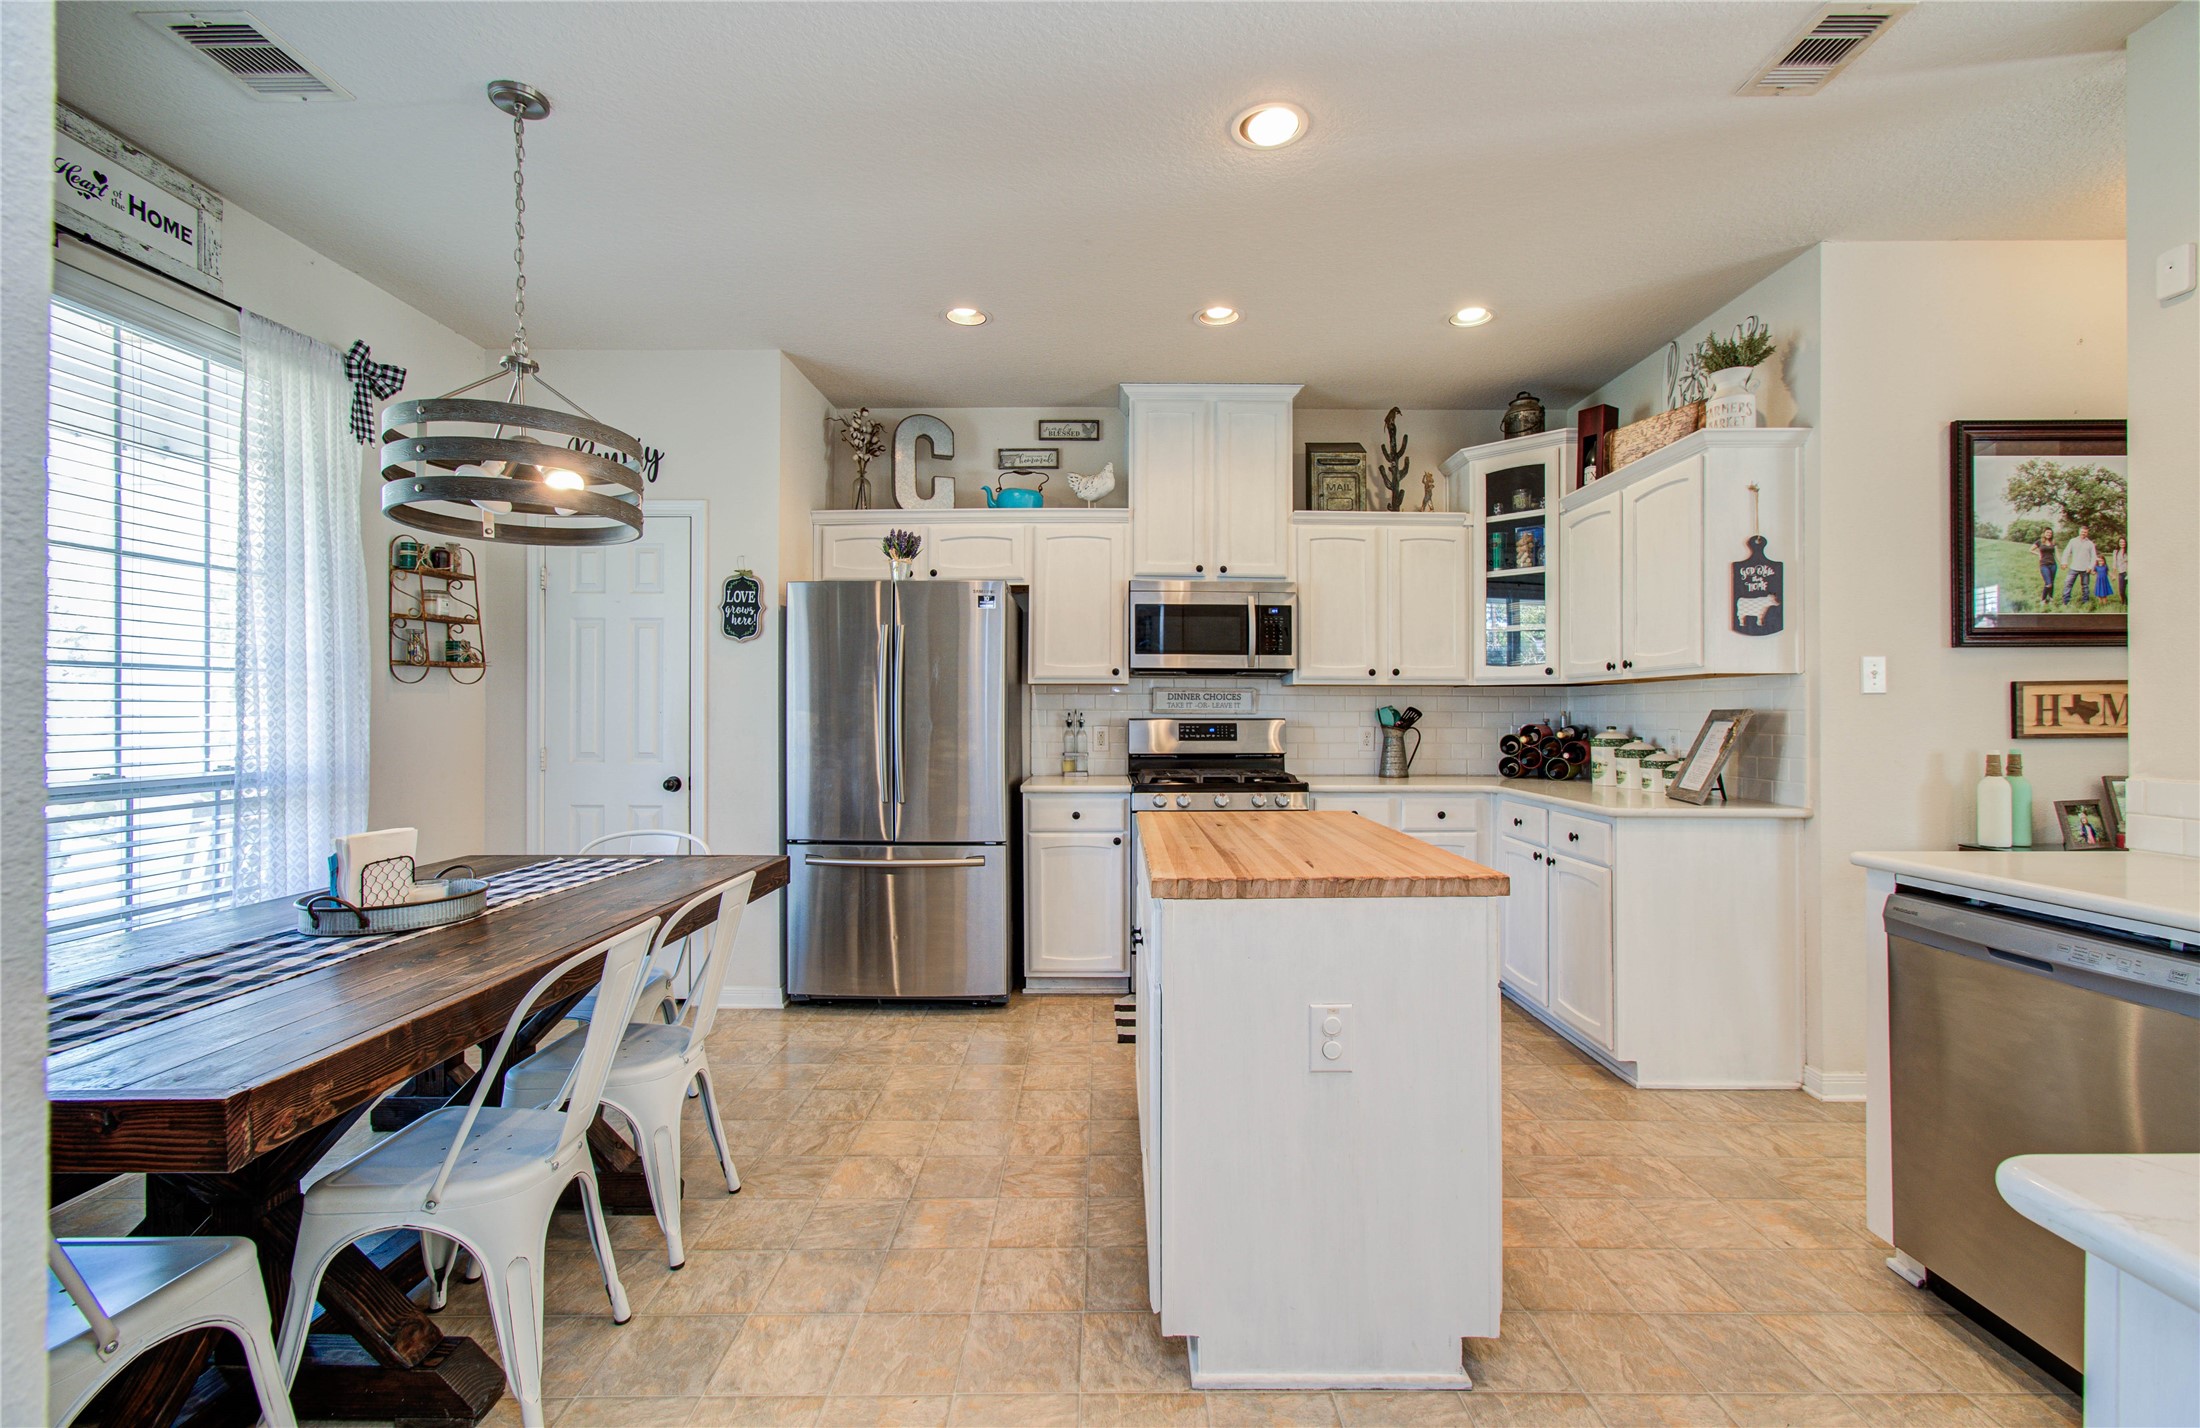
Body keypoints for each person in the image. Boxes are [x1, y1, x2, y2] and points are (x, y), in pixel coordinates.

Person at [2060, 525, 2098, 605]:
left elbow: (2094, 556)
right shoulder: (2073, 541)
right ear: (2079, 531)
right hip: (2073, 567)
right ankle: (2065, 602)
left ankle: (2085, 602)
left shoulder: (2090, 543)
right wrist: (2064, 562)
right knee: (2068, 584)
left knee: (2085, 586)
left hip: (2085, 569)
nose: (2083, 533)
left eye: (2085, 532)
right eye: (2082, 531)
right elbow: (2066, 552)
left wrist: (2090, 567)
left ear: (2087, 533)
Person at [2033, 530, 2057, 604]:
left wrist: (2062, 563)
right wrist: (2038, 554)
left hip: (2053, 564)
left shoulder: (2053, 542)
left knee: (2051, 582)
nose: (2049, 534)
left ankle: (2051, 598)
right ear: (2044, 533)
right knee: (2048, 583)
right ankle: (2043, 600)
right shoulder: (2039, 542)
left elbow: (2057, 554)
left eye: (2050, 533)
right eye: (2047, 532)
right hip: (2044, 565)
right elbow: (2031, 549)